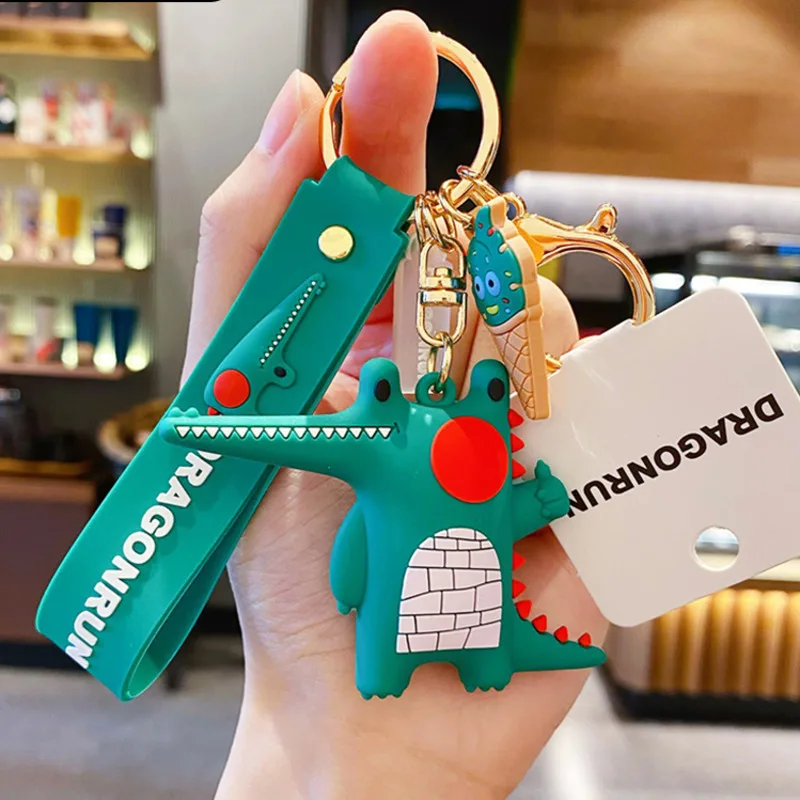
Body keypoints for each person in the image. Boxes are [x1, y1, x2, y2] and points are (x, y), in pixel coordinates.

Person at [186, 10, 606, 799]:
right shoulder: (392, 441)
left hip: (459, 633)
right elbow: (352, 533)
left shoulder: (443, 439)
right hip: (389, 649)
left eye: (494, 395)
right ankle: (411, 661)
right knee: (385, 638)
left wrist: (541, 501)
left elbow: (407, 540)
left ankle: (458, 657)